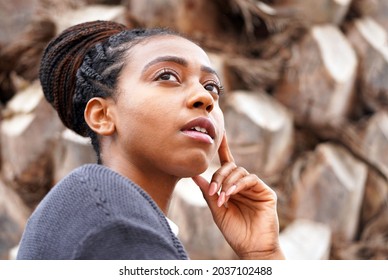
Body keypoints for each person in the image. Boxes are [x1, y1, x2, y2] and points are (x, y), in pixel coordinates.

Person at [16, 20, 285, 260]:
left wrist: (263, 254)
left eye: (211, 86)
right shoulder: (109, 212)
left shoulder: (105, 214)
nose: (205, 98)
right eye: (167, 76)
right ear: (102, 115)